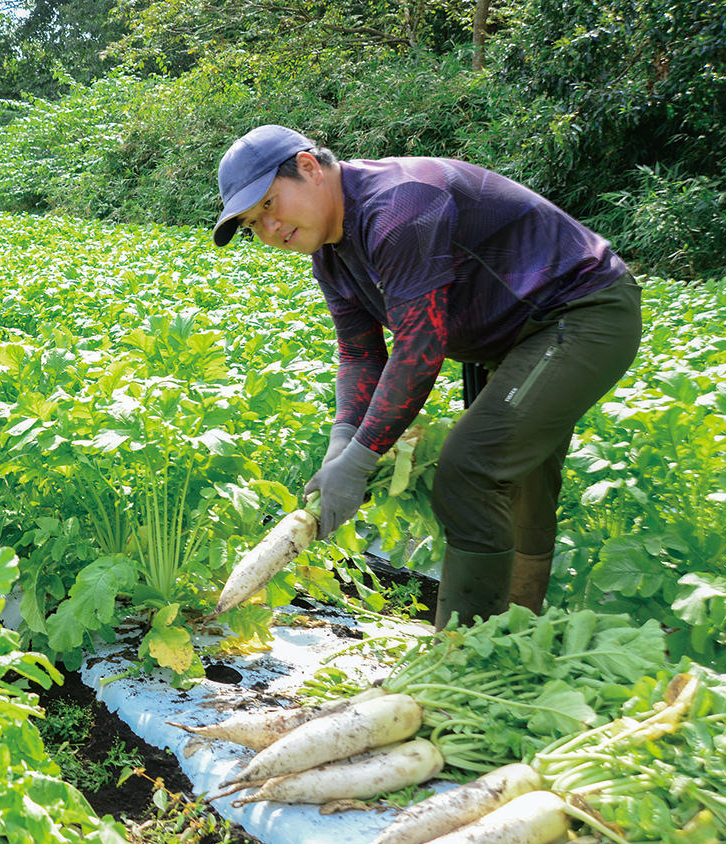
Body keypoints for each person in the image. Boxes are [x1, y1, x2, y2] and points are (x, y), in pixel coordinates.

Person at [212, 124, 642, 629]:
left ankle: (460, 653)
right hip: (511, 342)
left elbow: (420, 346)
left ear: (308, 167)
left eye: (268, 204)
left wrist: (360, 460)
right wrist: (343, 436)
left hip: (582, 312)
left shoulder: (399, 206)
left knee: (469, 470)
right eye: (251, 224)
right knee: (516, 480)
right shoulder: (330, 258)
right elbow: (359, 352)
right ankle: (519, 630)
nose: (268, 228)